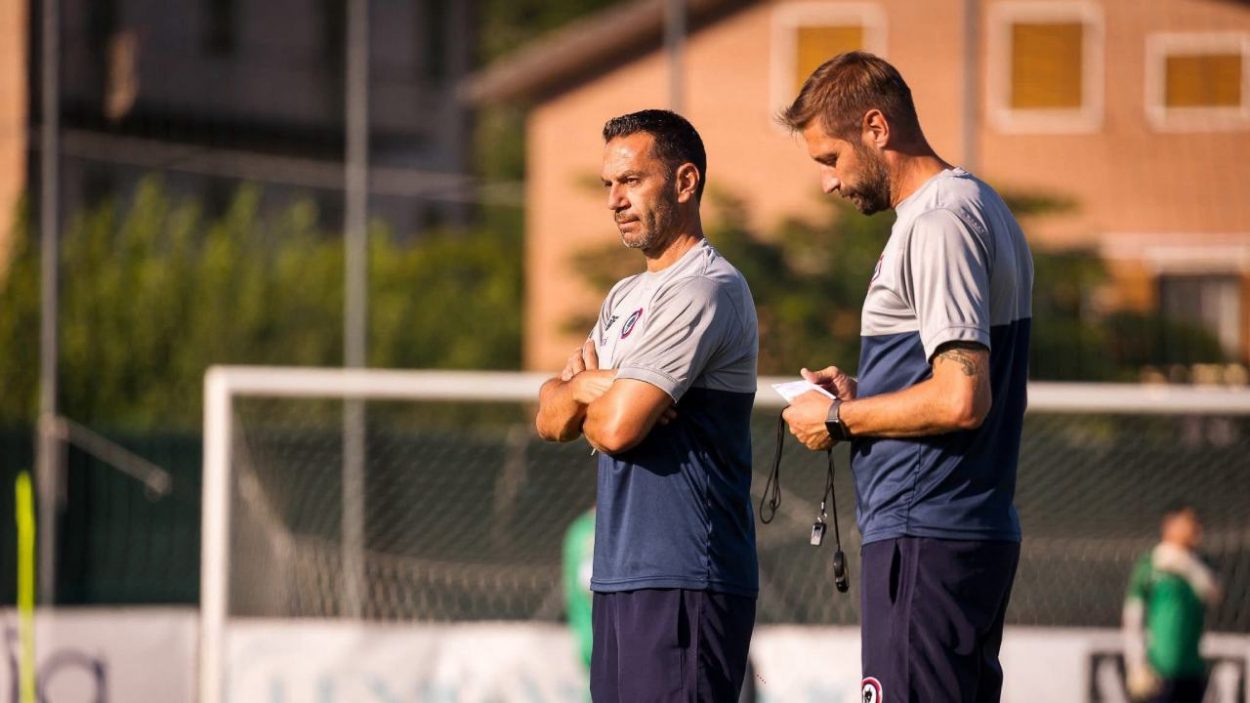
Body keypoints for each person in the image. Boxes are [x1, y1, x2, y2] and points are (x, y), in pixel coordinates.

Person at [777, 52, 1034, 702]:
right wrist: (864, 395)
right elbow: (953, 378)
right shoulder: (978, 205)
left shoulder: (937, 221)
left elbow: (961, 396)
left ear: (876, 128)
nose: (829, 183)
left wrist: (836, 418)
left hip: (929, 531)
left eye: (829, 159)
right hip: (955, 527)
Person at [534, 109, 759, 702]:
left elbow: (615, 429)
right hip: (619, 577)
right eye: (609, 184)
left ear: (686, 182)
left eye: (631, 180)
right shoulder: (625, 295)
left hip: (684, 578)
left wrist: (599, 398)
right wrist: (585, 389)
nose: (614, 199)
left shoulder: (706, 288)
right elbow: (550, 417)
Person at [1123, 504, 1221, 703]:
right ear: (1169, 525)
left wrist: (1186, 566)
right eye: (1189, 523)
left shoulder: (1201, 564)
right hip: (1158, 671)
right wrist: (1135, 664)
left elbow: (1215, 595)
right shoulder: (1150, 563)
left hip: (1192, 670)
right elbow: (1132, 615)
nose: (1196, 529)